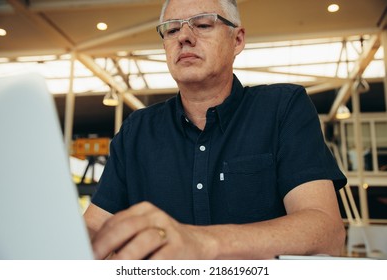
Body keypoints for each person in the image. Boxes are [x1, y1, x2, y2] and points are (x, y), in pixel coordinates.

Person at [84, 0, 347, 260]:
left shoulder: (282, 108)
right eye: (172, 30)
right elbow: (95, 228)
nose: (184, 37)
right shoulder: (137, 130)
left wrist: (203, 242)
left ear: (238, 40)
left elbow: (326, 232)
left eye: (203, 24)